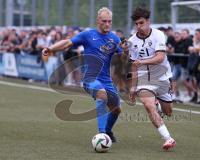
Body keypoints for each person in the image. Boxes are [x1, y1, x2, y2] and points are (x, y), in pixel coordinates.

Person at [42, 7, 124, 142]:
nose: (108, 24)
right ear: (98, 20)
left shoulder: (114, 39)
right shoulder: (87, 35)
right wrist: (51, 48)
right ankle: (102, 135)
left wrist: (127, 53)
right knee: (101, 94)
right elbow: (67, 43)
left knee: (116, 110)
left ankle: (108, 131)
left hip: (106, 80)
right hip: (90, 78)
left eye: (110, 21)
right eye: (104, 21)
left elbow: (124, 58)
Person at [125, 7, 176, 150]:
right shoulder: (131, 41)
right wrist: (133, 87)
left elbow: (160, 58)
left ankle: (159, 105)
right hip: (144, 79)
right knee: (148, 105)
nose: (139, 26)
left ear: (148, 21)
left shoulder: (159, 35)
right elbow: (134, 66)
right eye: (136, 24)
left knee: (169, 112)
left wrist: (143, 61)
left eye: (141, 23)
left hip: (162, 76)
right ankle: (168, 138)